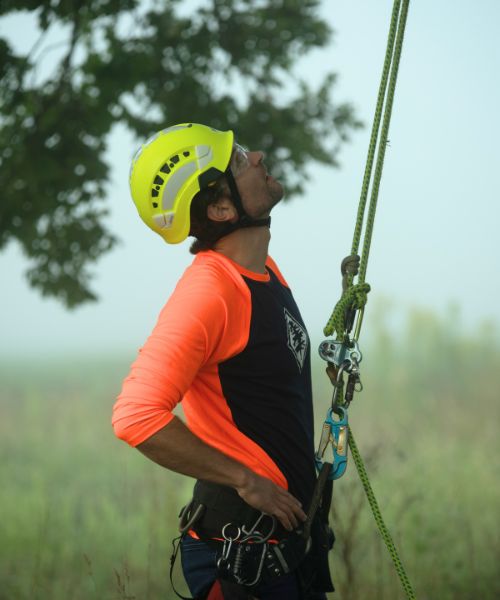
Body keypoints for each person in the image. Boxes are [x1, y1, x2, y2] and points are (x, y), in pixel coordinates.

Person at [112, 123, 334, 600]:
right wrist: (245, 479)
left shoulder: (263, 273)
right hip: (242, 558)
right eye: (237, 161)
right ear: (220, 207)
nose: (255, 156)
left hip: (285, 550)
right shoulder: (210, 291)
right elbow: (135, 416)